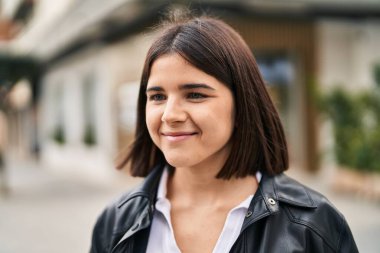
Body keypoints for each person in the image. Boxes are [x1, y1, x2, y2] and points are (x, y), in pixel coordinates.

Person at [90, 15, 358, 253]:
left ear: (242, 103)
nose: (170, 114)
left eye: (195, 94)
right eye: (157, 96)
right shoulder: (116, 222)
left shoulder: (312, 225)